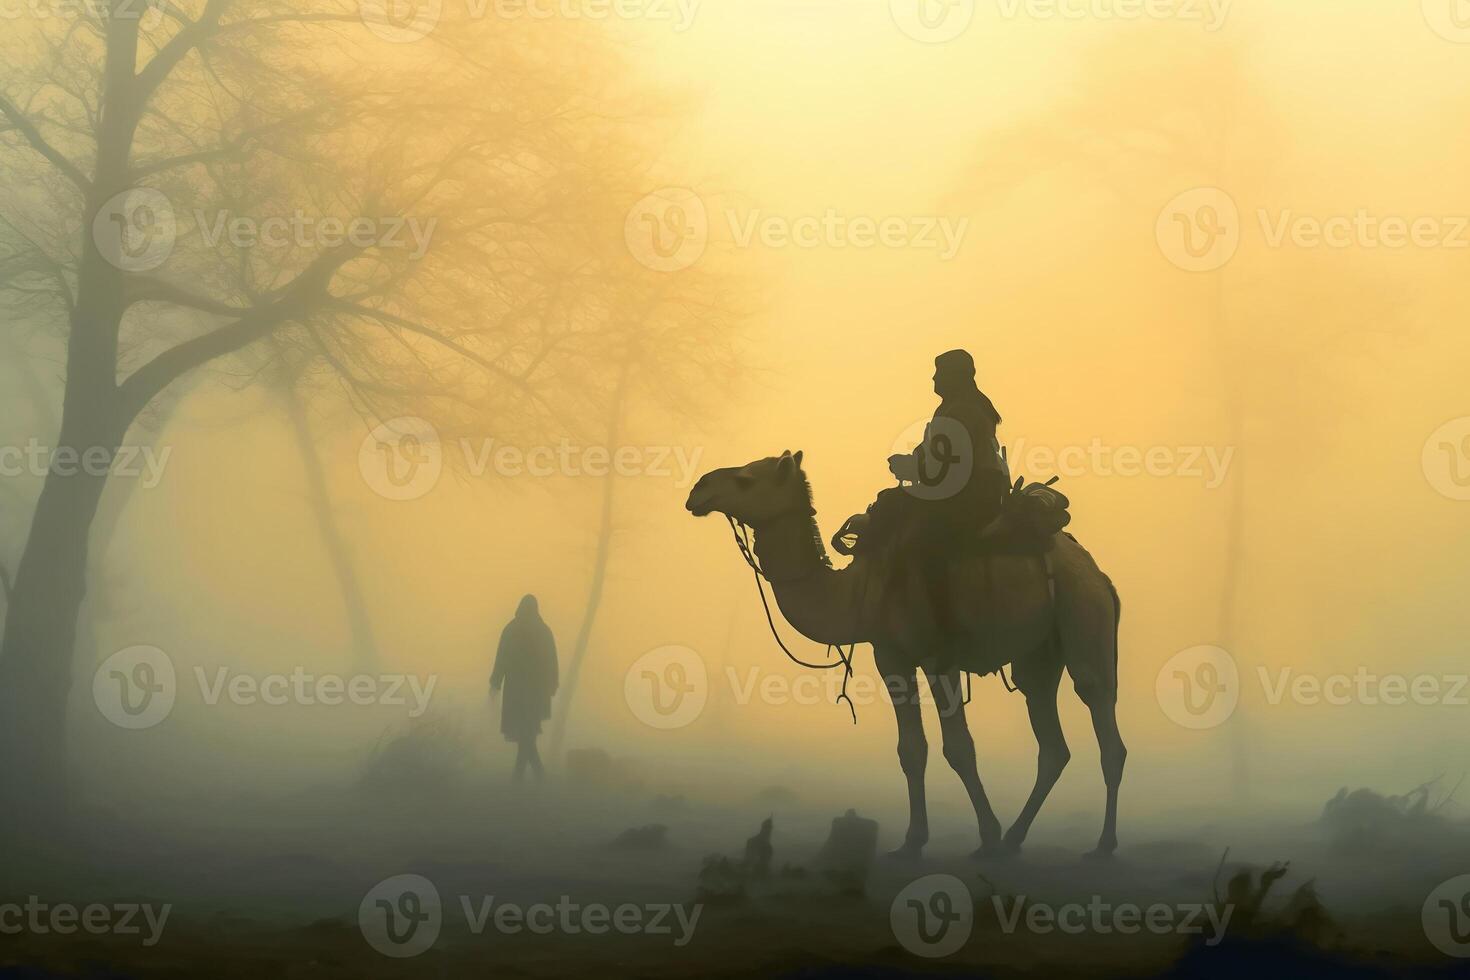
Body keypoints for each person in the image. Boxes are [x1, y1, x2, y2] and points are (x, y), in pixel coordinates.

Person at [886, 350, 1010, 659]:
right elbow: (937, 454)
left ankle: (945, 624)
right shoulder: (958, 408)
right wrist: (913, 462)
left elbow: (943, 464)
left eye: (938, 372)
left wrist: (912, 466)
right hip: (965, 492)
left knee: (926, 543)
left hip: (972, 497)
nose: (933, 378)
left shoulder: (963, 412)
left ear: (953, 375)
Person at [490, 594, 559, 782]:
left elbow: (501, 657)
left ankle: (523, 777)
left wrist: (495, 682)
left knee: (526, 734)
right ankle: (532, 776)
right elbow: (552, 661)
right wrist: (552, 684)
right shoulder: (543, 630)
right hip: (536, 693)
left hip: (517, 692)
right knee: (528, 733)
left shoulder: (511, 629)